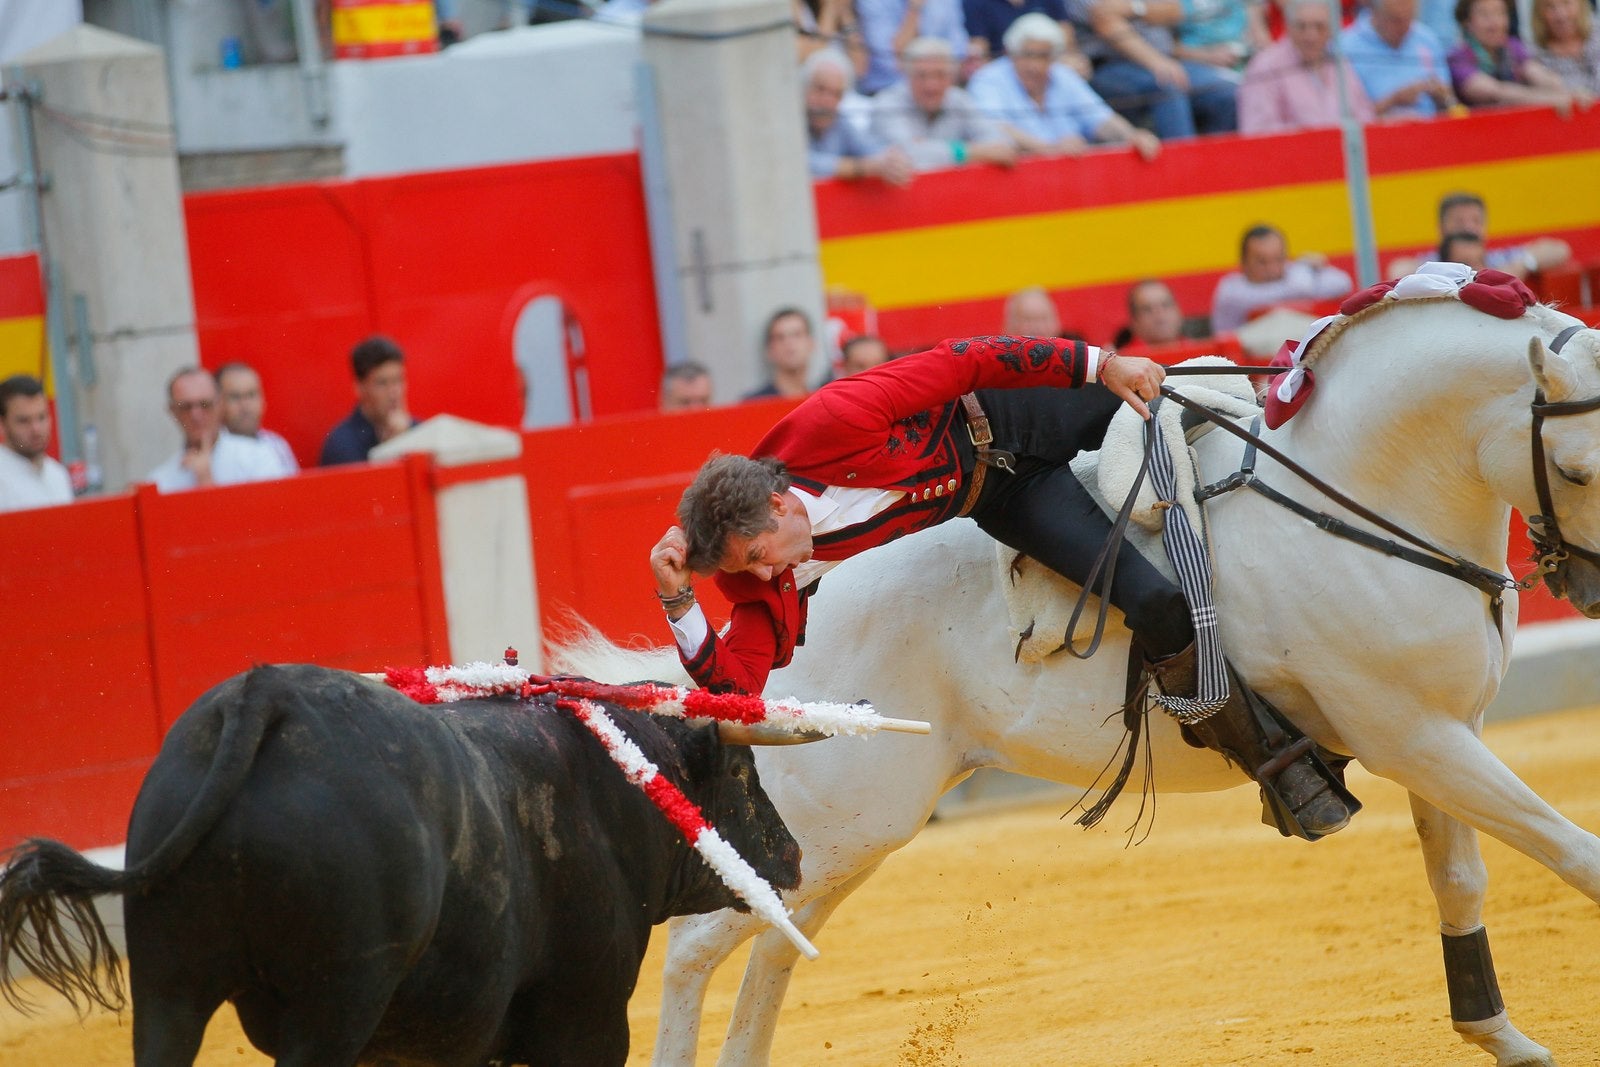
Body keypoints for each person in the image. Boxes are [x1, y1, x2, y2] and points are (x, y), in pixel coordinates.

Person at [648, 336, 1352, 838]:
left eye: (759, 556)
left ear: (776, 505)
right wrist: (679, 601)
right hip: (1004, 495)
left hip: (1023, 410)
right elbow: (735, 695)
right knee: (1155, 601)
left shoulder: (831, 422)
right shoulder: (761, 577)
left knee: (1195, 409)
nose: (768, 575)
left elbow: (969, 360)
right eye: (749, 571)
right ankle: (1279, 764)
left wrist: (1103, 364)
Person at [968, 13, 1163, 160]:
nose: (1034, 65)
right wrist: (1050, 149)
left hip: (1070, 175)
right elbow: (994, 128)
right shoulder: (988, 79)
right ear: (1011, 53)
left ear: (1054, 57)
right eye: (1027, 55)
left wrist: (1133, 135)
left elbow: (1100, 118)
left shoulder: (1063, 76)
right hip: (1017, 179)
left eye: (1043, 56)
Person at [1065, 0, 1240, 139]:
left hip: (1169, 59)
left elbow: (1175, 11)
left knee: (1227, 92)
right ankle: (1185, 171)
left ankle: (1217, 171)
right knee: (1166, 86)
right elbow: (1104, 19)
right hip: (1109, 67)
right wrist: (1155, 61)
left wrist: (1133, 8)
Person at [870, 38, 1020, 171]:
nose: (931, 86)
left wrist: (931, 149)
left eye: (940, 75)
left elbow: (1003, 145)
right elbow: (909, 156)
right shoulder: (887, 103)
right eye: (922, 75)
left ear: (952, 77)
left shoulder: (959, 99)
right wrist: (969, 152)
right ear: (907, 76)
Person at [1238, 0, 1376, 133]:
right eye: (1301, 26)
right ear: (1288, 27)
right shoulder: (1265, 66)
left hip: (1341, 152)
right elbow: (1258, 130)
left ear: (1333, 30)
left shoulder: (1339, 63)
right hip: (1291, 153)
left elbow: (1364, 116)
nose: (1311, 36)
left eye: (1320, 27)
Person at [149, 368, 283, 492]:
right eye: (186, 407)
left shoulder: (258, 456)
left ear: (220, 404)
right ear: (173, 411)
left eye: (205, 405)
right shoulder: (161, 480)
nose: (196, 415)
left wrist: (205, 480)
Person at [1387, 191, 1573, 278]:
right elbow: (1398, 270)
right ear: (1441, 229)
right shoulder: (1430, 263)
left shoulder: (1500, 259)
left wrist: (1522, 265)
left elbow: (1560, 250)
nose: (1468, 229)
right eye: (1459, 222)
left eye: (1475, 221)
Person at [1210, 224, 1353, 333]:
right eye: (1262, 262)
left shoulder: (1295, 274)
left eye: (1278, 259)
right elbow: (1297, 290)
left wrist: (1310, 268)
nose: (1272, 269)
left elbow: (1342, 283)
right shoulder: (1231, 290)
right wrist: (1304, 267)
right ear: (1244, 262)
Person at [1448, 0, 1590, 108]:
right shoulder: (1458, 58)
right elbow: (1496, 92)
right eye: (1485, 15)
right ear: (1467, 23)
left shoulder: (1513, 46)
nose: (1495, 23)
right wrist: (1550, 99)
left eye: (1500, 13)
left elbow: (1538, 73)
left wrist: (1569, 93)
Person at [804, 48, 915, 185]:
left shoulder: (839, 122)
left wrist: (892, 160)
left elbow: (870, 148)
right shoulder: (787, 122)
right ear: (804, 88)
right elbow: (801, 163)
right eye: (820, 89)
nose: (827, 101)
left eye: (836, 94)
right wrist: (862, 168)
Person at [1341, 0, 1458, 119]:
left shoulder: (1427, 39)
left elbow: (1451, 104)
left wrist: (1443, 97)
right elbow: (1344, 119)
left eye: (1409, 19)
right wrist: (1393, 101)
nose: (1404, 26)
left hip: (1431, 131)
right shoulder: (1344, 46)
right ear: (1374, 13)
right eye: (1395, 20)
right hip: (1376, 134)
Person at [320, 335, 418, 466]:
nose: (394, 392)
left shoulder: (419, 429)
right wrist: (392, 447)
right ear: (359, 388)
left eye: (398, 380)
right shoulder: (341, 445)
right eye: (382, 383)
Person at [857, 0, 972, 95]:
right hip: (886, 91)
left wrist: (937, 75)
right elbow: (891, 59)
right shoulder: (873, 3)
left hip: (942, 91)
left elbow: (959, 52)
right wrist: (914, 8)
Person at [0, 374, 73, 512]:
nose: (36, 429)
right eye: (23, 420)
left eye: (41, 417)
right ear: (2, 424)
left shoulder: (58, 475)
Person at [964, 0, 1092, 75]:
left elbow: (1068, 42)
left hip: (1053, 66)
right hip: (1007, 72)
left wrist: (1074, 61)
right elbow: (980, 54)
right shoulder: (976, 3)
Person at [215, 362, 298, 477]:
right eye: (235, 397)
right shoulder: (213, 452)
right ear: (218, 403)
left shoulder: (277, 443)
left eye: (251, 395)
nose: (245, 405)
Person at [744, 308, 820, 401]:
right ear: (770, 349)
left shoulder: (822, 399)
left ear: (811, 344)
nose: (789, 342)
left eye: (797, 335)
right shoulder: (754, 403)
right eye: (780, 337)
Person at [1530, 0, 1600, 96]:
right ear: (1539, 13)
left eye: (1566, 3)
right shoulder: (1534, 56)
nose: (1561, 15)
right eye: (1550, 7)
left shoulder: (1596, 35)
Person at [1121, 279, 1188, 349]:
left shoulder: (1197, 355)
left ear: (1178, 311)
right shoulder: (1124, 358)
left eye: (1166, 305)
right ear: (1134, 321)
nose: (1160, 315)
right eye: (1147, 309)